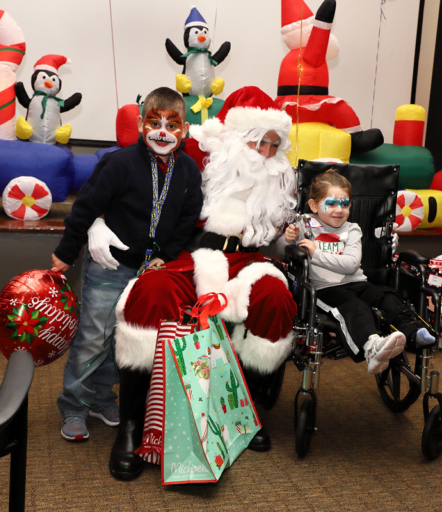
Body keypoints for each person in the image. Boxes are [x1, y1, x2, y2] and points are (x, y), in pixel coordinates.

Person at [111, 86, 297, 481]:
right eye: (257, 141)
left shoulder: (281, 179)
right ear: (236, 139)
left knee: (276, 298)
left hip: (250, 258)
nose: (265, 153)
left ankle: (246, 411)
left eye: (273, 144)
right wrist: (98, 221)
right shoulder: (201, 157)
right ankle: (132, 424)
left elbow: (277, 235)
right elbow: (146, 187)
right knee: (151, 292)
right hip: (193, 252)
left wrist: (292, 239)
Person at [50, 87, 203, 442]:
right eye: (154, 122)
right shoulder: (118, 163)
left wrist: (167, 255)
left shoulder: (189, 171)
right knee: (93, 336)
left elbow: (187, 218)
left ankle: (102, 396)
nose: (163, 132)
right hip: (111, 264)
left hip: (151, 270)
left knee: (122, 338)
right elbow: (85, 207)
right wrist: (67, 251)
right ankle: (74, 404)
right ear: (139, 123)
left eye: (173, 124)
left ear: (185, 130)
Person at [279, 169, 436, 374]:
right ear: (314, 205)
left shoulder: (352, 229)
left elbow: (351, 264)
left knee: (386, 296)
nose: (339, 209)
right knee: (355, 306)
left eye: (345, 204)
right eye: (332, 203)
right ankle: (372, 348)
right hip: (324, 290)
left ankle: (414, 334)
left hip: (357, 282)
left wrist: (316, 253)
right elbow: (281, 251)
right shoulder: (305, 225)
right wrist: (288, 239)